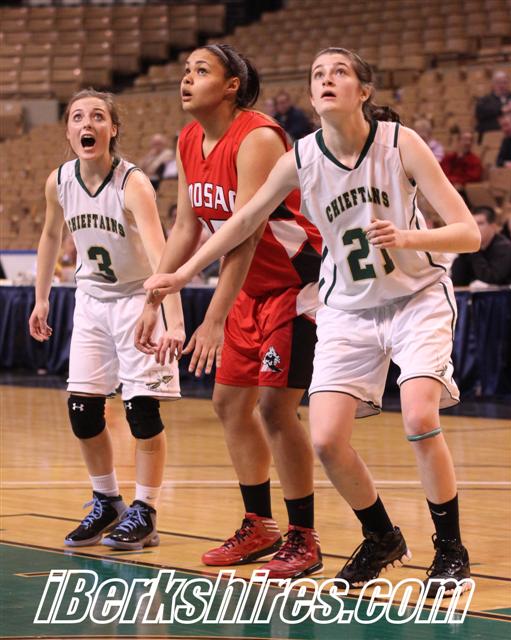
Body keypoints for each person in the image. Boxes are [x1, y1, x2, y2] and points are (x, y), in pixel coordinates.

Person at [144, 47, 482, 597]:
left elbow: (469, 234)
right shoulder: (301, 156)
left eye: (339, 72)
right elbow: (242, 222)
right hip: (346, 306)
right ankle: (380, 537)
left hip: (415, 297)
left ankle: (450, 551)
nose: (327, 79)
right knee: (325, 439)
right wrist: (181, 274)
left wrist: (408, 237)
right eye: (317, 74)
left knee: (419, 416)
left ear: (363, 91)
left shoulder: (400, 143)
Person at [135, 44, 324, 579]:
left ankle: (303, 536)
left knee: (275, 409)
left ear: (232, 84)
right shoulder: (188, 139)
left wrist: (214, 318)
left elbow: (247, 233)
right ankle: (258, 525)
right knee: (228, 404)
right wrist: (154, 298)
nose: (187, 79)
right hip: (248, 289)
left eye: (201, 71)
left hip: (294, 284)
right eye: (185, 70)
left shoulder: (258, 136)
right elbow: (186, 227)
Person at [29, 89, 185, 551]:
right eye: (78, 117)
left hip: (139, 299)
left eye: (98, 116)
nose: (87, 124)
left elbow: (161, 254)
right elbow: (50, 235)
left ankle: (146, 510)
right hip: (92, 300)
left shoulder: (133, 183)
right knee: (82, 411)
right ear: (68, 131)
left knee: (141, 411)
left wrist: (173, 319)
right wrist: (41, 298)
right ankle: (107, 501)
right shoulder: (59, 181)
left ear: (113, 129)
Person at [451, 206, 511, 286]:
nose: (475, 228)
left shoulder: (505, 247)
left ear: (493, 226)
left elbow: (492, 279)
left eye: (480, 224)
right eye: (473, 224)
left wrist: (474, 251)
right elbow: (457, 282)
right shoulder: (469, 248)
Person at [440, 131, 483, 205]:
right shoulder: (448, 158)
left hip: (463, 190)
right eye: (465, 139)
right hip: (447, 185)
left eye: (470, 140)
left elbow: (473, 177)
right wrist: (451, 182)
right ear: (458, 141)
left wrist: (457, 183)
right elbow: (441, 173)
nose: (468, 143)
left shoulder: (475, 160)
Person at [475, 70, 511, 143]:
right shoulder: (484, 100)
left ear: (508, 84)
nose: (502, 85)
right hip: (490, 135)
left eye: (504, 82)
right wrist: (501, 110)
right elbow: (480, 113)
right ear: (493, 84)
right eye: (498, 82)